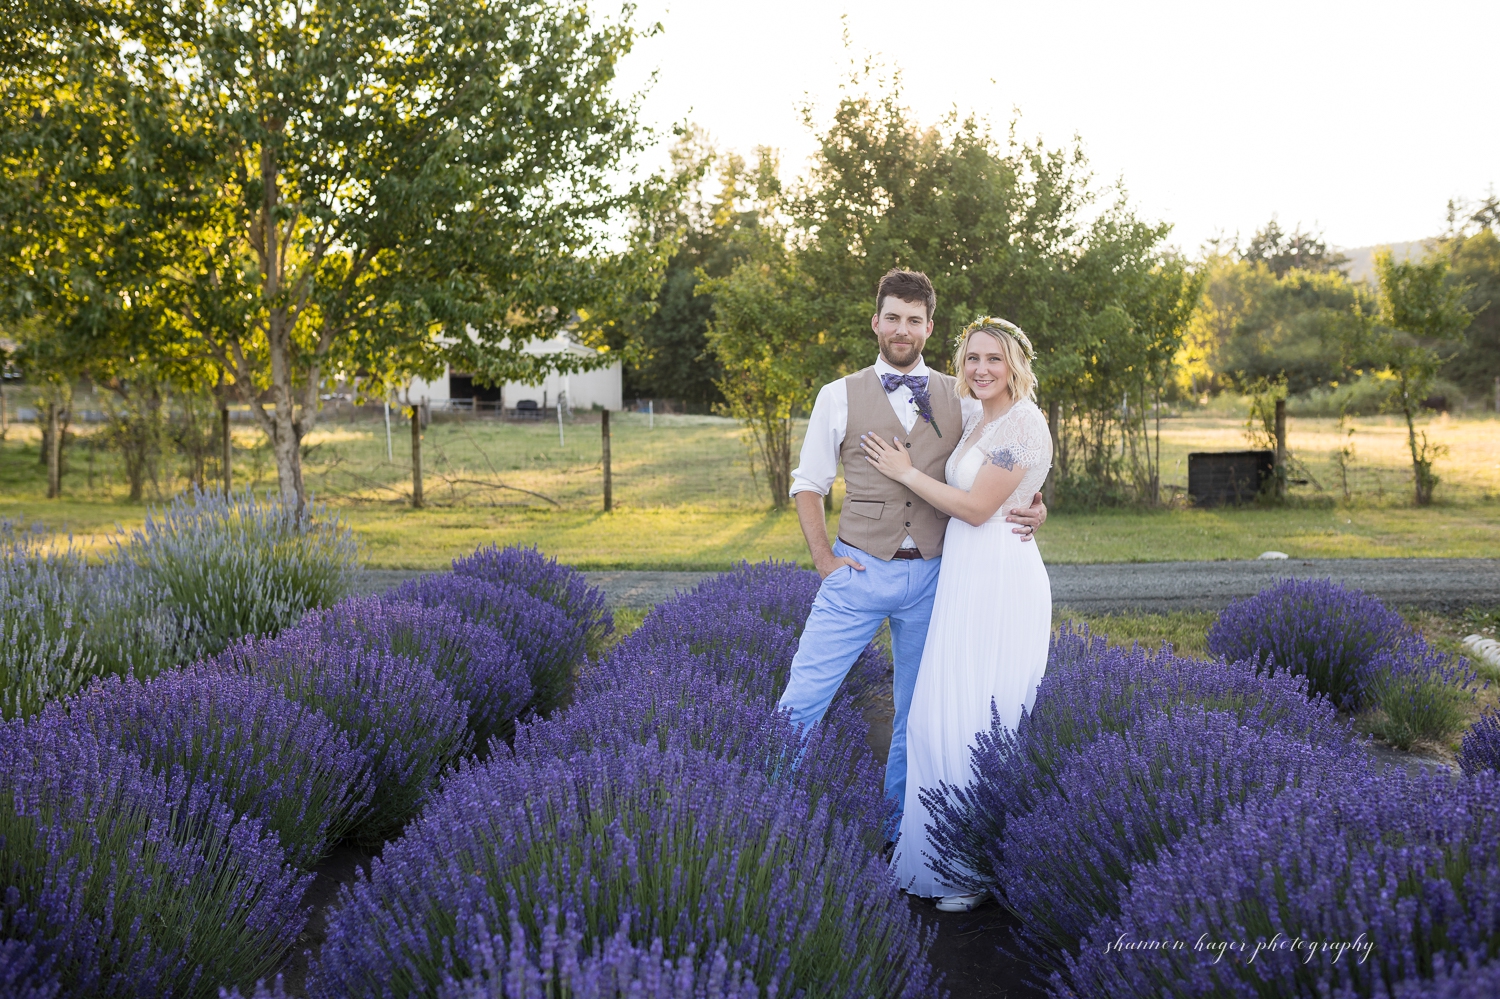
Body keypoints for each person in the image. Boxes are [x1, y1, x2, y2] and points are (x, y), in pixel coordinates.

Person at [778, 269, 1047, 832]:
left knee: (917, 715)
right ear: (876, 322)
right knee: (801, 701)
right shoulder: (838, 395)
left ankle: (899, 833)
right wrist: (825, 560)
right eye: (893, 318)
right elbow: (808, 483)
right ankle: (769, 814)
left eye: (914, 320)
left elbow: (1003, 457)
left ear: (929, 327)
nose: (903, 330)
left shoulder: (963, 398)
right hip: (858, 570)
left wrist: (1035, 504)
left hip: (934, 579)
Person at [860, 316, 1053, 912]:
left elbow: (975, 509)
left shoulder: (1025, 422)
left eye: (994, 358)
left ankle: (970, 868)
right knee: (938, 715)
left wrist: (906, 474)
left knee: (981, 716)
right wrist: (1036, 503)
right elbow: (1004, 493)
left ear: (1015, 363)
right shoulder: (974, 416)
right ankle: (936, 853)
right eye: (972, 358)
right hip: (963, 578)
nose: (981, 369)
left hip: (1000, 579)